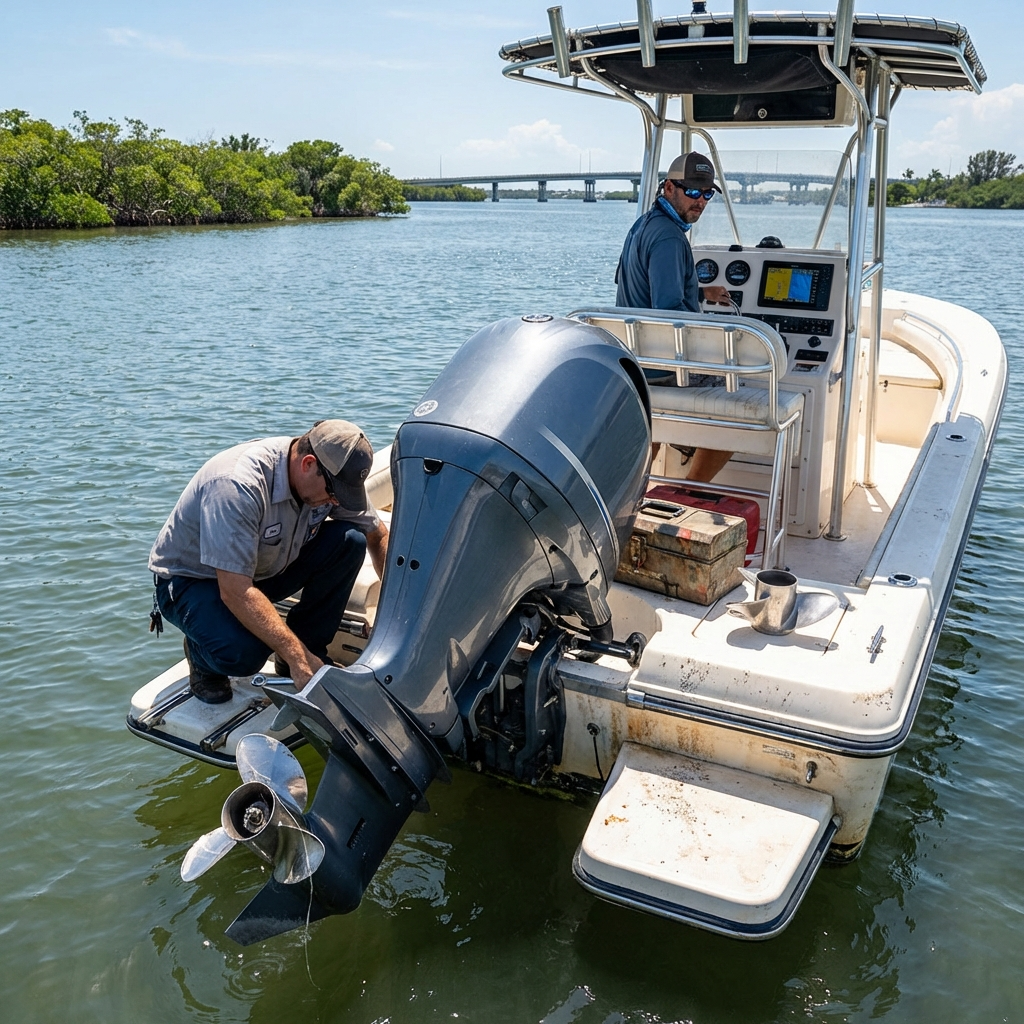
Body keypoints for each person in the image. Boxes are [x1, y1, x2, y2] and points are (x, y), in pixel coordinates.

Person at [149, 419, 388, 702]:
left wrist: (391, 618)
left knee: (350, 540)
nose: (337, 502)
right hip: (195, 582)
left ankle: (308, 654)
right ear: (308, 464)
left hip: (262, 568)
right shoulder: (237, 485)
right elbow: (235, 591)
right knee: (245, 655)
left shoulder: (328, 475)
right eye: (334, 493)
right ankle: (201, 659)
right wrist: (295, 653)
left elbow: (377, 535)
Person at [615, 151, 734, 483]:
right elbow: (668, 312)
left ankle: (633, 489)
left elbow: (652, 294)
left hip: (640, 363)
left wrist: (701, 293)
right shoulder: (669, 237)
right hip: (664, 369)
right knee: (736, 402)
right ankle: (689, 494)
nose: (700, 201)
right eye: (692, 192)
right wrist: (717, 336)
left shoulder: (645, 225)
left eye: (707, 194)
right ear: (668, 187)